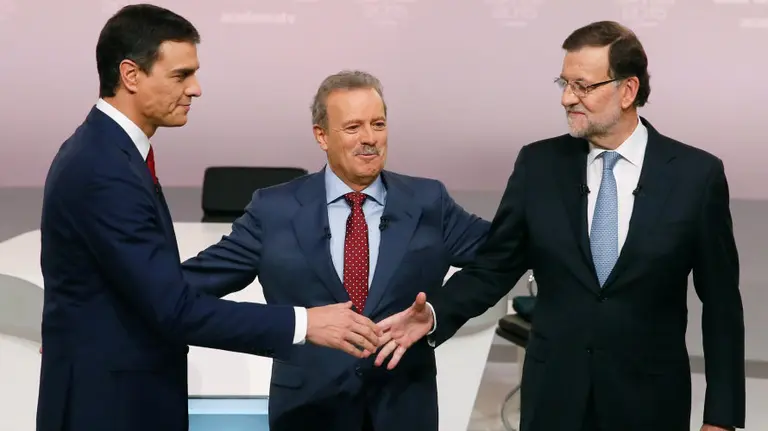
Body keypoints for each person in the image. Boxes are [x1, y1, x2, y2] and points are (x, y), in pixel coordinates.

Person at [375, 21, 745, 431]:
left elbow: (722, 306)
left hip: (650, 402)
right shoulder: (538, 166)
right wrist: (435, 314)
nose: (568, 98)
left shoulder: (697, 176)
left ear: (627, 90)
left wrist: (721, 418)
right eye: (564, 83)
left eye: (583, 86)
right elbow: (495, 267)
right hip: (554, 398)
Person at [37, 6, 380, 431]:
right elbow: (172, 308)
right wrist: (305, 322)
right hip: (108, 405)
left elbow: (141, 288)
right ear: (131, 75)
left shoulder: (109, 154)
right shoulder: (103, 167)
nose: (195, 89)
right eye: (181, 75)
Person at [180, 70, 491, 431]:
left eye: (378, 124)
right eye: (353, 127)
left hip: (402, 408)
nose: (370, 139)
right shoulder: (274, 209)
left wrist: (438, 312)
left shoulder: (428, 202)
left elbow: (501, 256)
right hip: (309, 410)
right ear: (321, 135)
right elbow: (190, 285)